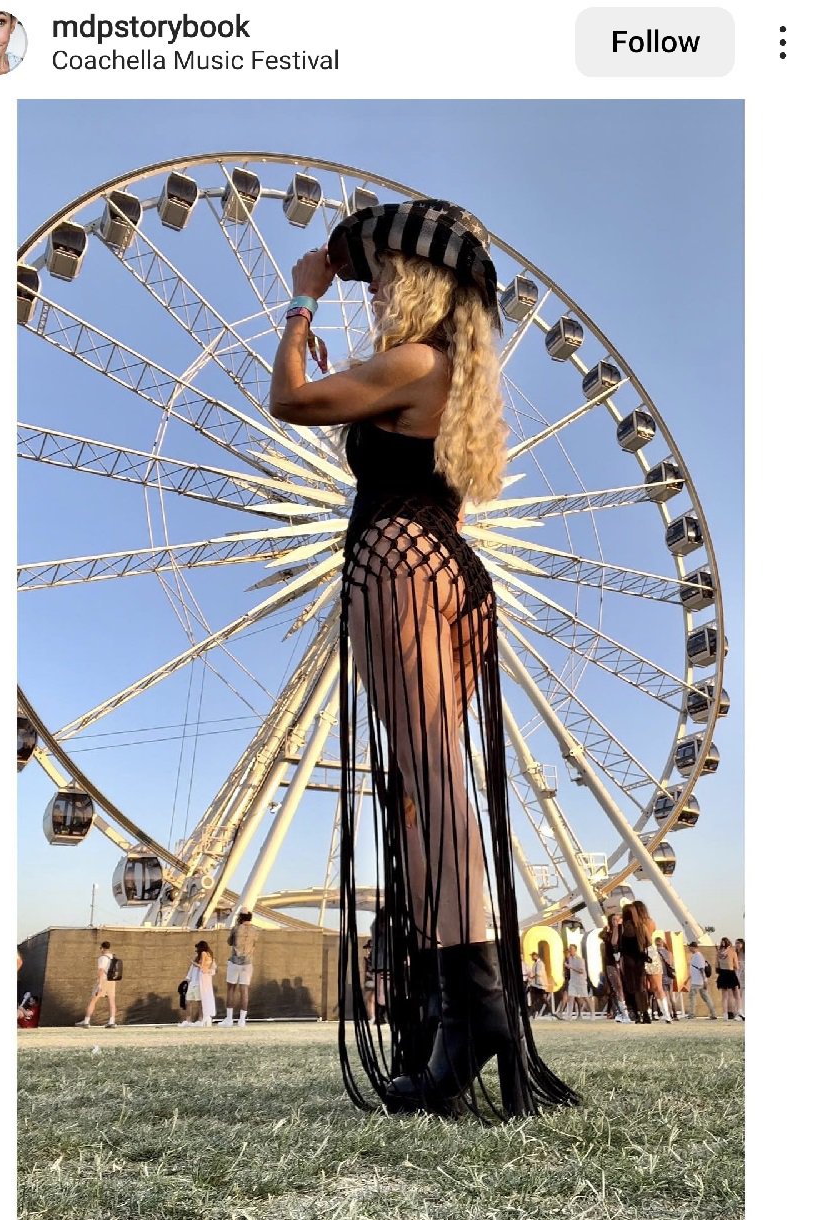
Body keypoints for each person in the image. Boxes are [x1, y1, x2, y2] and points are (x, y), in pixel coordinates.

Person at [269, 198, 576, 1120]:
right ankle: (457, 1008)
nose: (380, 292)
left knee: (431, 774)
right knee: (430, 778)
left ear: (422, 282)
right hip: (447, 568)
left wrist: (300, 303)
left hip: (397, 563)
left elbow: (287, 400)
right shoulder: (457, 382)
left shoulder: (411, 362)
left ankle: (477, 1006)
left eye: (391, 276)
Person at [220, 909, 257, 1027]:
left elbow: (229, 942)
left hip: (235, 961)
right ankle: (242, 1020)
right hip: (247, 963)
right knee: (244, 990)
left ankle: (229, 1019)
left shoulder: (236, 928)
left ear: (241, 917)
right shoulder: (255, 930)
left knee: (231, 989)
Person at [75, 941, 117, 1028]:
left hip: (104, 980)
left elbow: (101, 971)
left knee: (93, 1000)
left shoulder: (103, 958)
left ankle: (86, 1021)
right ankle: (111, 1021)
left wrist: (100, 984)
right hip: (112, 981)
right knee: (112, 1001)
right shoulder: (113, 957)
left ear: (102, 948)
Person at [600, 915, 632, 1023]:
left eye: (618, 919)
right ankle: (623, 1013)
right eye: (614, 919)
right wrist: (615, 928)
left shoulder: (626, 934)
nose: (616, 921)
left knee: (625, 988)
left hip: (623, 963)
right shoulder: (607, 934)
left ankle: (624, 1012)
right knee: (617, 988)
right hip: (611, 964)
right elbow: (613, 942)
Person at [180, 940, 216, 1027]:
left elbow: (210, 969)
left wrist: (194, 963)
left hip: (200, 983)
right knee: (188, 1001)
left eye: (197, 949)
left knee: (200, 1002)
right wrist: (187, 979)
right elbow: (191, 969)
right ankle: (188, 1020)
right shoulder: (197, 957)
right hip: (193, 983)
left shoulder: (207, 957)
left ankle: (200, 1019)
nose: (196, 951)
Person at [686, 942, 718, 1019]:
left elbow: (701, 969)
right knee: (706, 997)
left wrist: (705, 981)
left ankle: (692, 1014)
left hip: (697, 981)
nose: (689, 948)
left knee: (692, 997)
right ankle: (713, 1013)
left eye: (690, 947)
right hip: (698, 981)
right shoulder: (696, 956)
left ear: (693, 947)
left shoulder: (698, 956)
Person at [564, 944, 595, 1020]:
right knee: (571, 997)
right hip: (573, 981)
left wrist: (570, 967)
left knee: (585, 997)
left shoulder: (580, 959)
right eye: (569, 949)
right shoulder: (570, 959)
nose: (570, 950)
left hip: (581, 981)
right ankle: (569, 1015)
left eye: (571, 949)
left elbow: (581, 971)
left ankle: (592, 1014)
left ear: (575, 950)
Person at [655, 937, 681, 1019]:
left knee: (665, 996)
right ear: (662, 943)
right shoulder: (669, 953)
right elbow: (671, 964)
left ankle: (669, 1014)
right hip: (669, 976)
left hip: (661, 976)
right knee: (671, 996)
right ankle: (675, 1014)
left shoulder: (656, 953)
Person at [716, 936, 741, 1020]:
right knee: (736, 994)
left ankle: (725, 1015)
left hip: (722, 974)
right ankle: (739, 1012)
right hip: (731, 973)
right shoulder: (732, 952)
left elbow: (717, 966)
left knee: (724, 996)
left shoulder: (718, 953)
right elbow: (736, 966)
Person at [734, 937, 745, 1019]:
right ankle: (739, 1012)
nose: (737, 945)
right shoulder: (735, 953)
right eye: (736, 943)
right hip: (738, 974)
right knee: (738, 994)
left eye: (738, 943)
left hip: (744, 973)